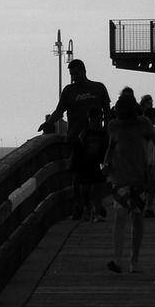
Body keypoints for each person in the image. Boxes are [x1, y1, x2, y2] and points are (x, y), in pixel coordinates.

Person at [39, 58, 111, 217]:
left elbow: (107, 110)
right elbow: (60, 110)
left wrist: (107, 130)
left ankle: (95, 205)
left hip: (97, 139)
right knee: (78, 175)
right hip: (76, 139)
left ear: (84, 71)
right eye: (72, 74)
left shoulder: (98, 88)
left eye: (76, 73)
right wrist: (48, 123)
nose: (74, 77)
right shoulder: (68, 91)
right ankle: (80, 205)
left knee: (97, 175)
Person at [103, 91, 155, 273]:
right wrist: (106, 163)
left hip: (139, 178)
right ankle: (117, 260)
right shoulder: (114, 126)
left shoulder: (143, 124)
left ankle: (134, 259)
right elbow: (111, 146)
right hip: (120, 178)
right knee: (120, 216)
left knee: (136, 217)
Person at [72, 105, 110, 220]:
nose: (96, 122)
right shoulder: (84, 134)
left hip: (99, 163)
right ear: (90, 119)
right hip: (86, 164)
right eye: (94, 119)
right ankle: (88, 209)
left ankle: (97, 210)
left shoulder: (104, 134)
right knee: (86, 189)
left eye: (98, 119)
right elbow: (78, 150)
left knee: (98, 187)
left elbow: (108, 149)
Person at [137, 93, 155, 216]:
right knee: (152, 185)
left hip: (141, 160)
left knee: (142, 184)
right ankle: (149, 206)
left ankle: (141, 203)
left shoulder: (139, 129)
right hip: (152, 161)